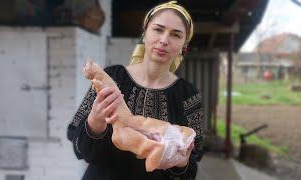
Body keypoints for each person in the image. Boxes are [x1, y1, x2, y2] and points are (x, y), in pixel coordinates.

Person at [67, 1, 204, 179]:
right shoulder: (112, 77)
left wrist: (181, 161)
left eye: (176, 35)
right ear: (144, 33)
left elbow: (192, 164)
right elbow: (79, 148)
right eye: (158, 29)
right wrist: (94, 123)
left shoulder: (189, 94)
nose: (164, 40)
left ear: (183, 46)